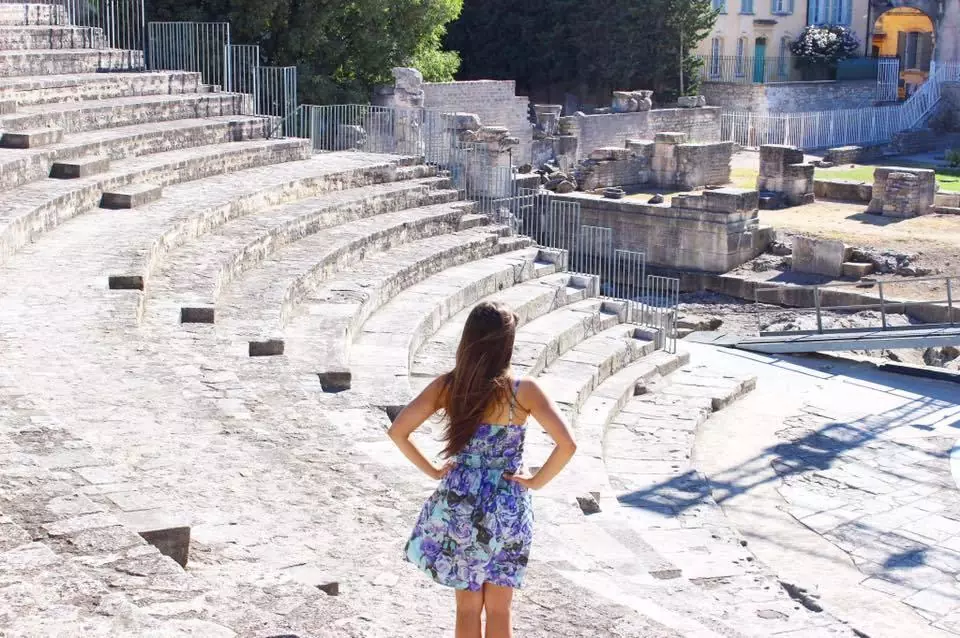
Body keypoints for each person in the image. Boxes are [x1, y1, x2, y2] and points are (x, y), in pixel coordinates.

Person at [388, 301, 577, 638]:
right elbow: (568, 445)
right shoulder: (524, 391)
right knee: (500, 608)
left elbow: (398, 431)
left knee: (468, 607)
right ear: (506, 345)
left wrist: (433, 471)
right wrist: (534, 481)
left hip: (462, 503)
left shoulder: (449, 386)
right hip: (508, 506)